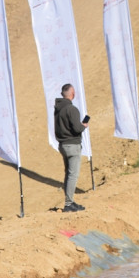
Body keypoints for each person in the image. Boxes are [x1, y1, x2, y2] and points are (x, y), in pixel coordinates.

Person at [54, 83, 88, 213]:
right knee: (73, 175)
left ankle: (69, 201)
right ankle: (69, 203)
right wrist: (83, 125)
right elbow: (77, 128)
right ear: (72, 94)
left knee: (68, 173)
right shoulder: (71, 109)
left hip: (62, 144)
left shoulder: (58, 109)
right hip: (72, 145)